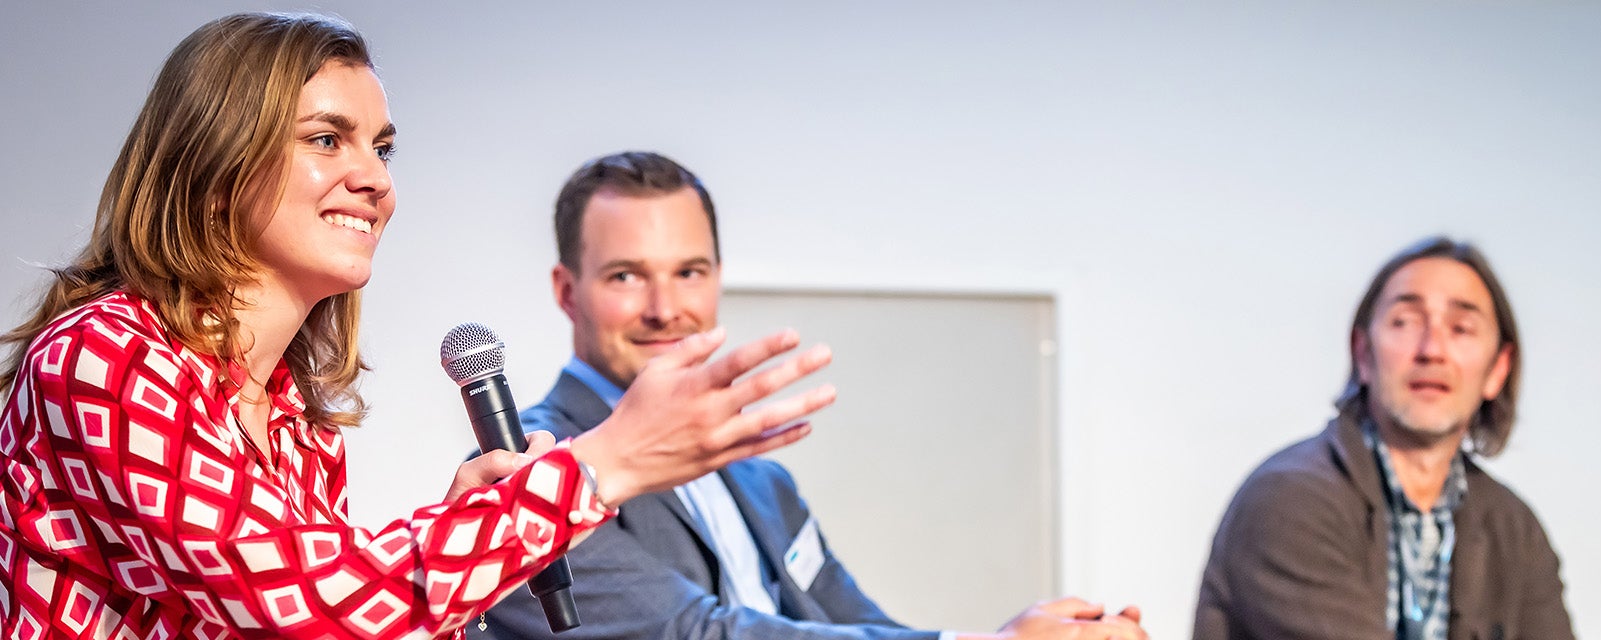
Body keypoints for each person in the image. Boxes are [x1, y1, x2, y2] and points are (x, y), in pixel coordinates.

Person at [0, 13, 832, 640]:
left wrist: (463, 525)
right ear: (215, 168)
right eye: (327, 139)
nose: (375, 179)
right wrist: (603, 464)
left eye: (383, 148)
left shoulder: (293, 419)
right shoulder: (104, 357)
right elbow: (303, 610)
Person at [471, 151, 1146, 640]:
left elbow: (861, 626)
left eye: (690, 272)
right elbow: (691, 633)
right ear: (567, 291)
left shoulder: (762, 482)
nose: (665, 307)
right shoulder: (526, 475)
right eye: (626, 276)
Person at [1192, 236, 1574, 640]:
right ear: (1362, 354)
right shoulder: (1287, 499)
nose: (1432, 350)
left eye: (1461, 328)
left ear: (1498, 369)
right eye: (1404, 322)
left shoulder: (1515, 529)